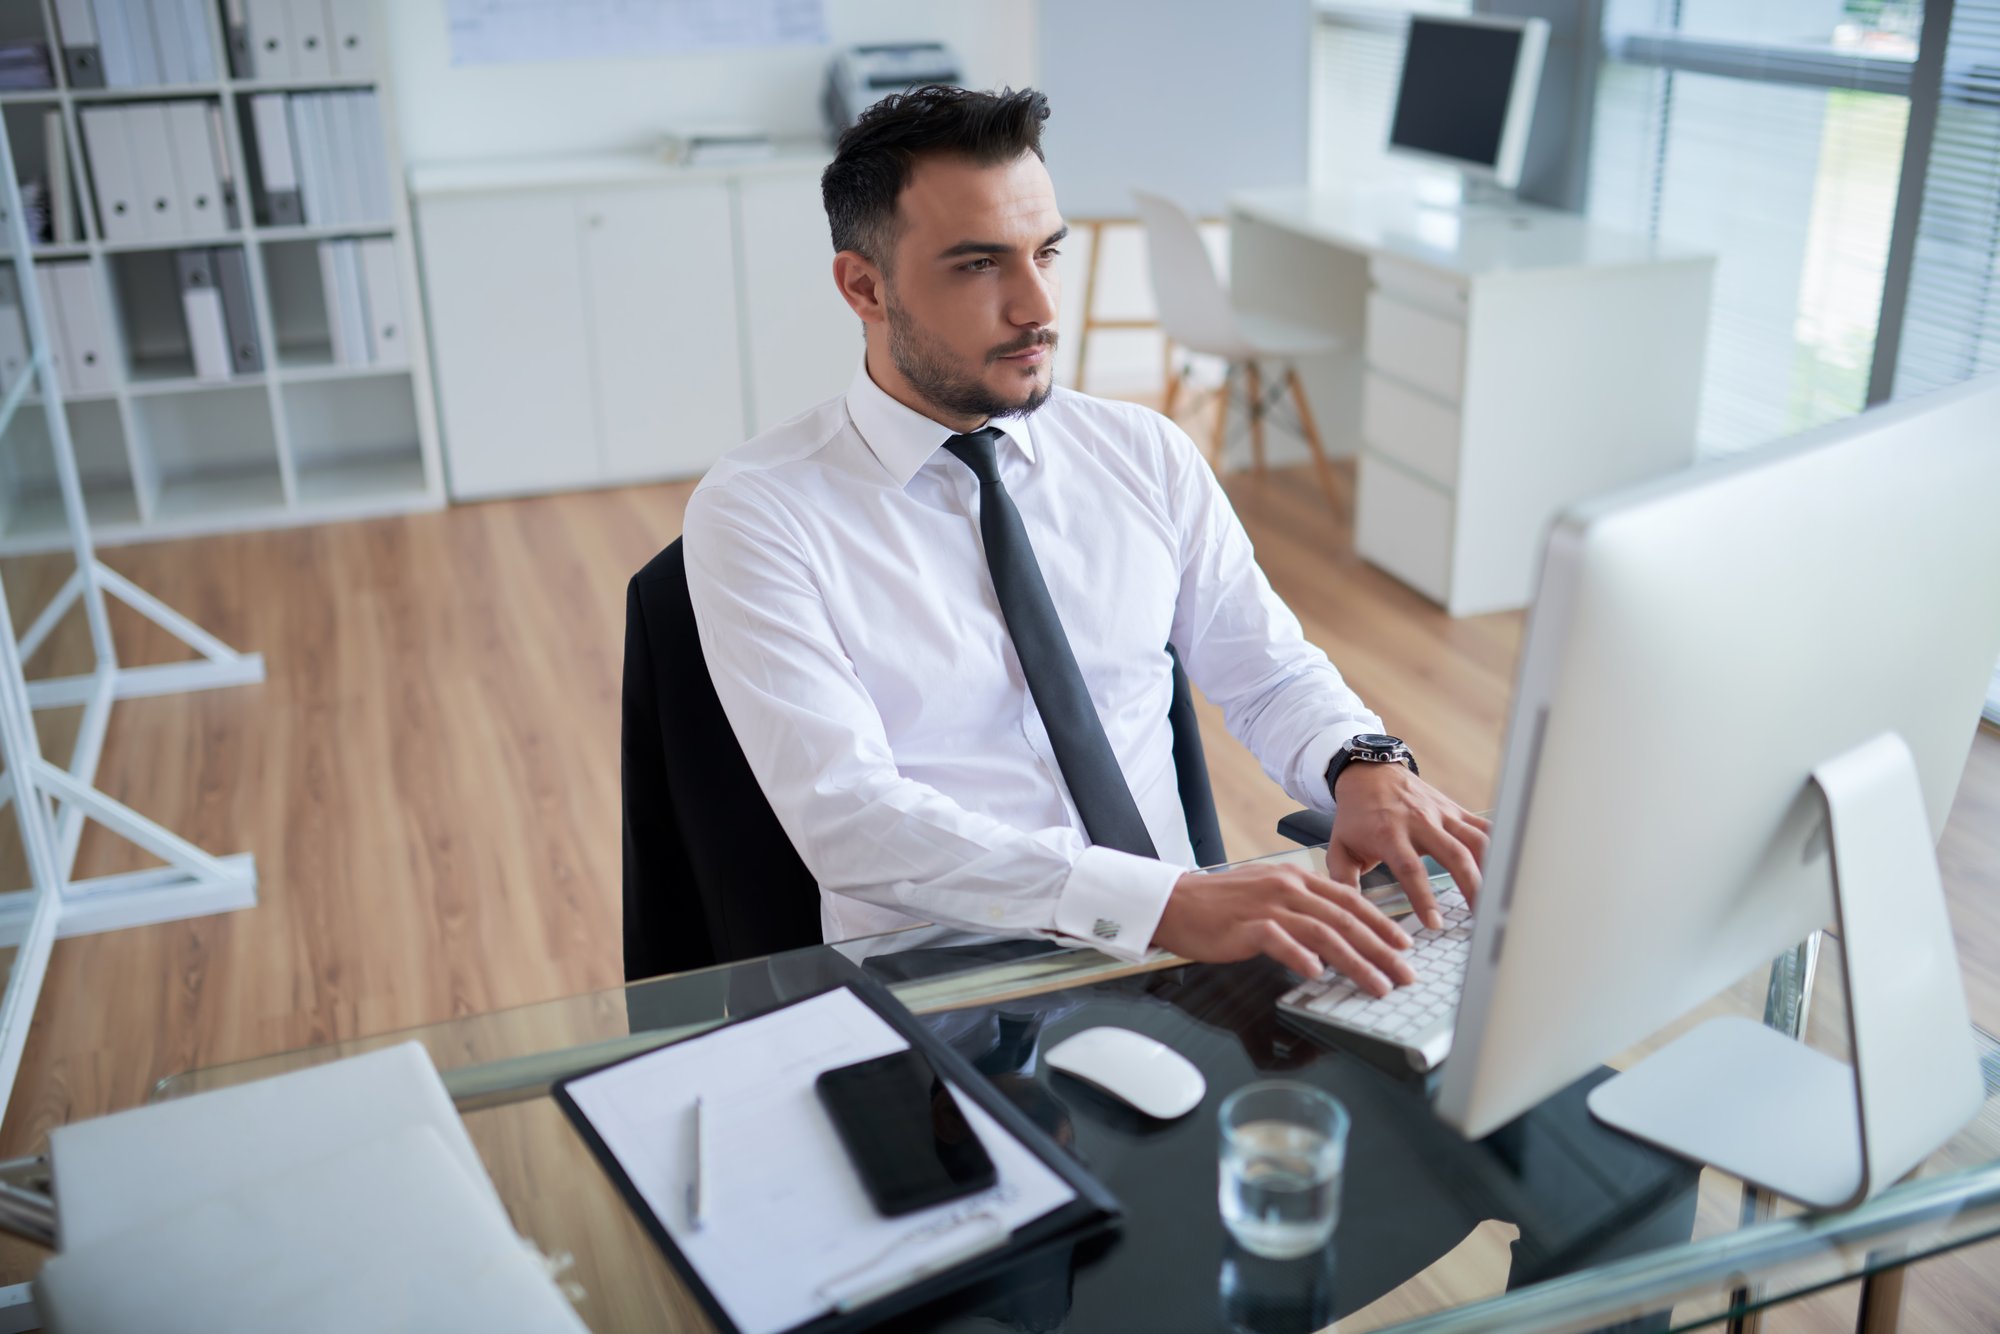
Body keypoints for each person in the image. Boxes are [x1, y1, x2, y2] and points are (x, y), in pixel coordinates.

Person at [681, 86, 1490, 997]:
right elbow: (852, 818)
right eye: (980, 264)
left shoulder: (1143, 452)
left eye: (1048, 252)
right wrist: (1151, 903)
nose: (1037, 306)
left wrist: (1362, 761)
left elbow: (1267, 671)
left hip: (1198, 952)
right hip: (957, 986)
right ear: (864, 287)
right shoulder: (759, 511)